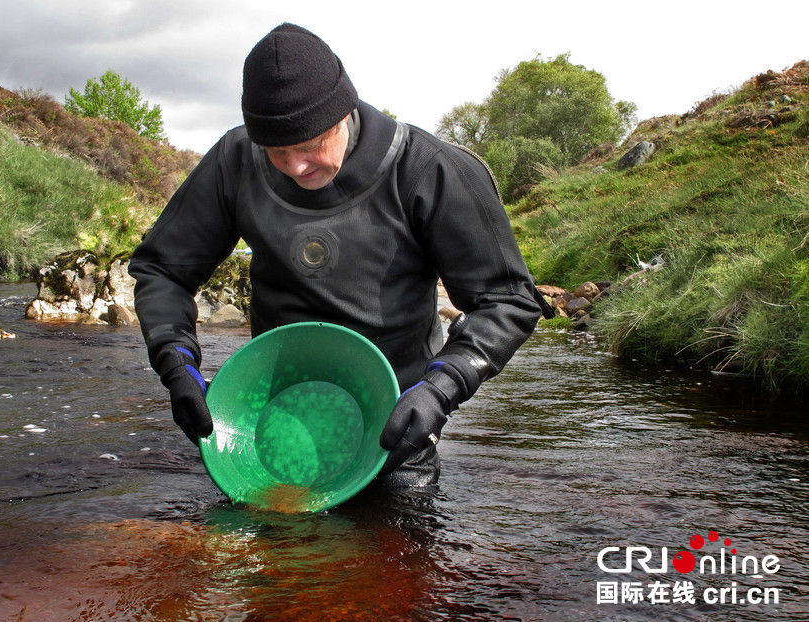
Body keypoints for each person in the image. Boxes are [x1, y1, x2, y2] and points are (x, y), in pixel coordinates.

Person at [129, 23, 551, 486]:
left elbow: (508, 300)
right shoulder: (235, 161)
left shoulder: (429, 169)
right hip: (272, 426)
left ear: (344, 113)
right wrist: (176, 362)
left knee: (391, 557)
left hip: (399, 426)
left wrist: (441, 388)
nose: (295, 166)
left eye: (310, 146)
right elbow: (162, 269)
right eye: (276, 151)